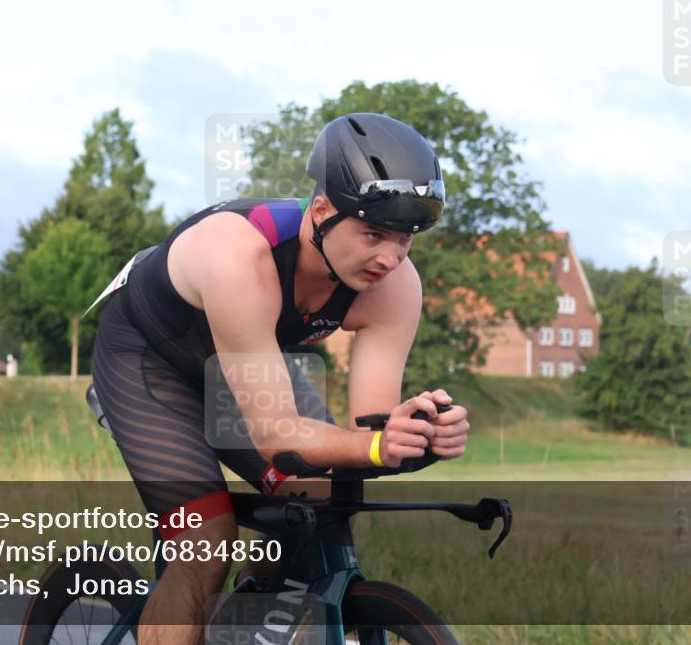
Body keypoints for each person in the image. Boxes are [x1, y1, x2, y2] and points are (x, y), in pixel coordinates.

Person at [91, 112, 470, 644]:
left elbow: (369, 432)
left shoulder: (394, 284)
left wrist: (418, 433)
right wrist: (380, 445)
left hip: (240, 366)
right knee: (208, 540)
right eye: (374, 234)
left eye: (406, 239)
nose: (390, 257)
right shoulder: (239, 255)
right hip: (147, 363)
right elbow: (274, 434)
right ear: (321, 212)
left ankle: (242, 630)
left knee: (324, 498)